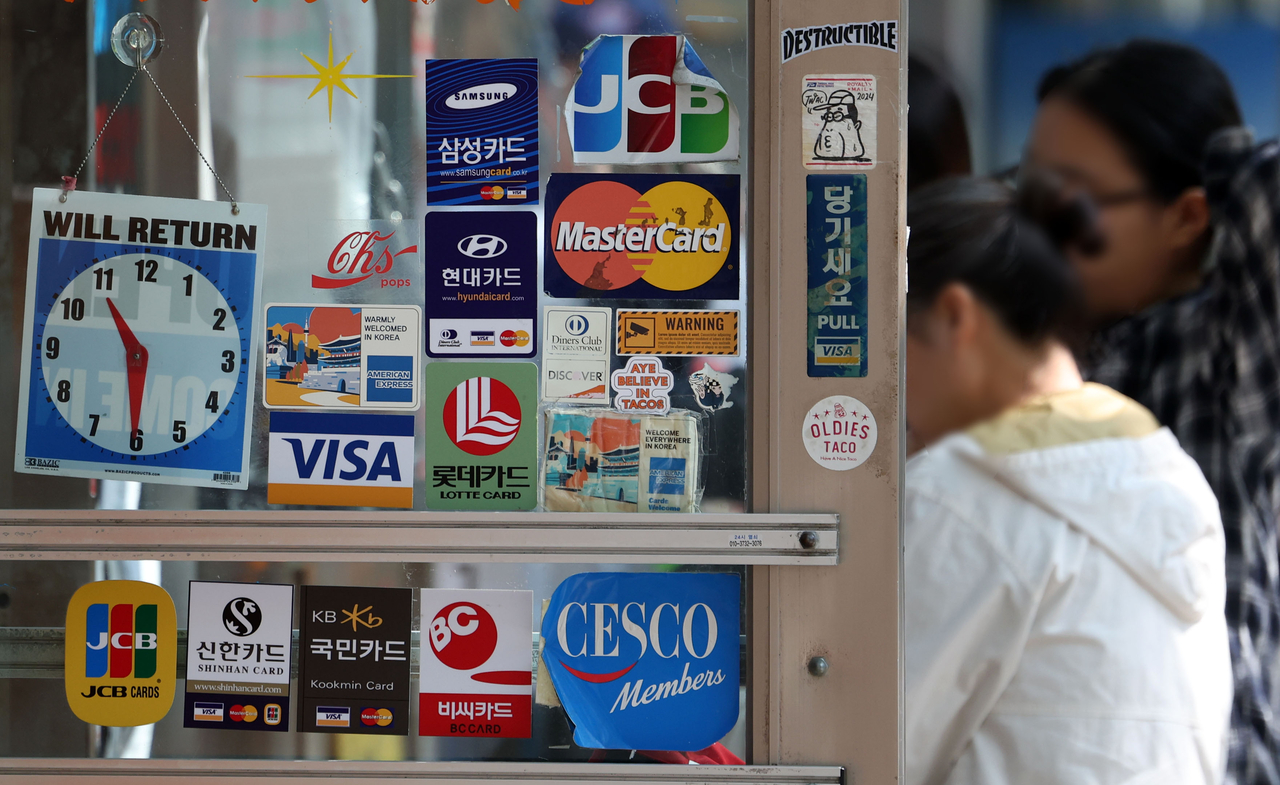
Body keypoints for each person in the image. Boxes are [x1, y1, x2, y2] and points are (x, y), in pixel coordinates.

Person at [905, 177, 1231, 784]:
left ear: (954, 317)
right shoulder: (1172, 474)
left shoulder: (960, 494)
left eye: (893, 342)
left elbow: (870, 744)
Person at [1025, 40, 1280, 783]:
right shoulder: (1045, 344)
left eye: (1064, 200)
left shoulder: (1228, 348)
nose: (1030, 229)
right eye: (1023, 190)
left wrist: (1213, 157)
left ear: (1188, 214)